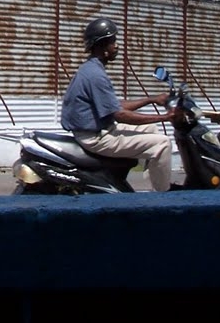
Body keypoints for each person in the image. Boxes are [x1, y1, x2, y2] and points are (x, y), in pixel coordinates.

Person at [60, 17, 178, 192]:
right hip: (96, 137)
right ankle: (162, 196)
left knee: (151, 129)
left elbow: (113, 105)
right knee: (162, 144)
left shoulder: (91, 68)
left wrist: (151, 99)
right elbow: (120, 115)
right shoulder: (95, 75)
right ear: (102, 46)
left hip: (99, 129)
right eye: (112, 42)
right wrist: (166, 117)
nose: (116, 46)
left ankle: (155, 179)